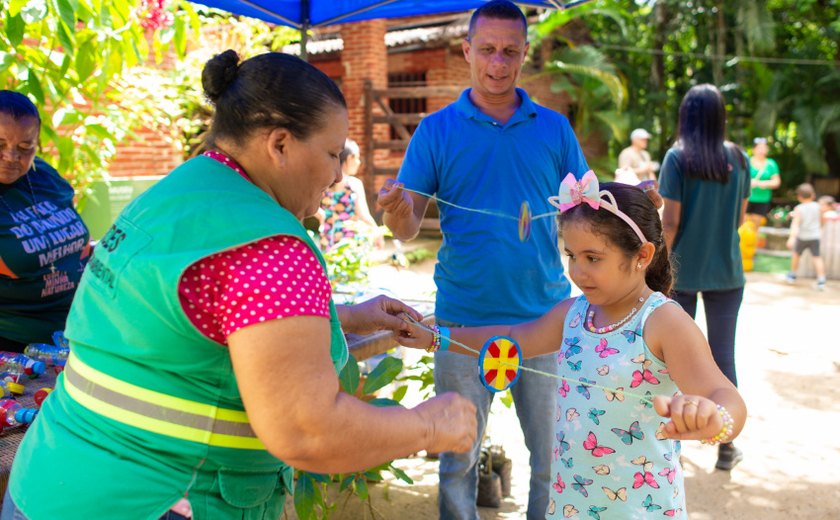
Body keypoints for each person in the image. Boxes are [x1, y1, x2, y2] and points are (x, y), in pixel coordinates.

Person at [2, 50, 477, 520]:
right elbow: (309, 432)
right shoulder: (270, 244)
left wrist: (345, 317)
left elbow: (199, 318)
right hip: (155, 499)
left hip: (49, 481)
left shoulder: (171, 195)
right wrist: (426, 425)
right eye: (332, 154)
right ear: (280, 144)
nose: (336, 174)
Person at [400, 178, 747, 518]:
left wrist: (714, 417)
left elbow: (726, 397)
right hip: (571, 504)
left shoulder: (662, 322)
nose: (577, 272)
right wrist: (438, 337)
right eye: (571, 255)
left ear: (642, 255)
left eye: (593, 258)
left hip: (641, 506)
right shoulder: (574, 314)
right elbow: (512, 336)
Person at [378, 2, 589, 518]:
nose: (499, 63)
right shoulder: (436, 130)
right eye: (488, 50)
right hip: (462, 322)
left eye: (511, 52)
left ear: (524, 55)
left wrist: (629, 202)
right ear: (467, 51)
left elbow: (584, 210)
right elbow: (406, 226)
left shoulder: (555, 129)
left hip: (544, 321)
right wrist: (396, 211)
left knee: (552, 459)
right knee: (457, 461)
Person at [658, 84, 751, 471]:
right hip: (727, 273)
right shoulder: (739, 158)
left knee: (669, 361)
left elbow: (671, 222)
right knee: (722, 358)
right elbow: (741, 218)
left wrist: (656, 268)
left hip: (681, 274)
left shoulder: (677, 158)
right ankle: (726, 447)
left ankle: (667, 444)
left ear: (687, 116)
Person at [0, 90, 91, 352]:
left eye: (25, 147)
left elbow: (79, 241)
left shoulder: (44, 176)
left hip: (74, 331)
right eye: (0, 145)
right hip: (14, 348)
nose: (11, 157)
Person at [318, 138, 382, 250]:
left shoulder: (324, 183)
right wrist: (377, 233)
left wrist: (321, 216)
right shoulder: (353, 184)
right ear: (349, 158)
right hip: (349, 244)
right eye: (357, 158)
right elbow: (363, 215)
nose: (359, 162)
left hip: (327, 241)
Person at [786, 183, 827, 290]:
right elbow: (822, 220)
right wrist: (820, 228)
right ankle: (821, 279)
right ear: (812, 195)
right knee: (817, 257)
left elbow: (795, 224)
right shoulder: (818, 206)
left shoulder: (799, 208)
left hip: (802, 236)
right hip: (815, 236)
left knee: (796, 255)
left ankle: (792, 274)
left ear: (799, 196)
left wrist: (792, 238)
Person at [746, 137, 781, 227]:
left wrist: (761, 183)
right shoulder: (747, 162)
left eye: (764, 148)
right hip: (746, 198)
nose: (762, 150)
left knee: (756, 227)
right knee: (743, 226)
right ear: (753, 149)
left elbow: (776, 182)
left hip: (762, 199)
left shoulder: (771, 164)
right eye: (759, 148)